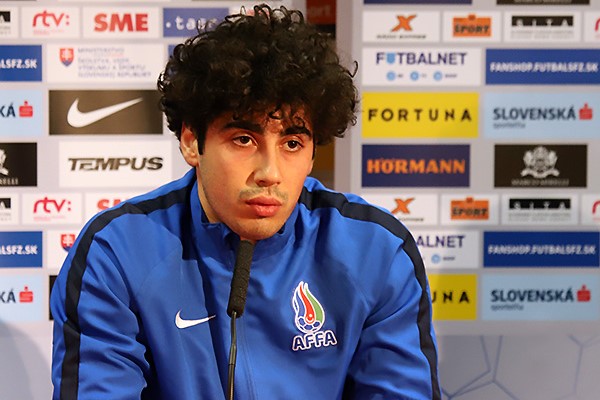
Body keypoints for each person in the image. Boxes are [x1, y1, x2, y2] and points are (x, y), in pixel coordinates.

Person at [51, 4, 440, 399]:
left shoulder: (376, 251)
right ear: (192, 142)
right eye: (243, 139)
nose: (269, 172)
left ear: (311, 153)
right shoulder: (117, 252)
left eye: (292, 143)